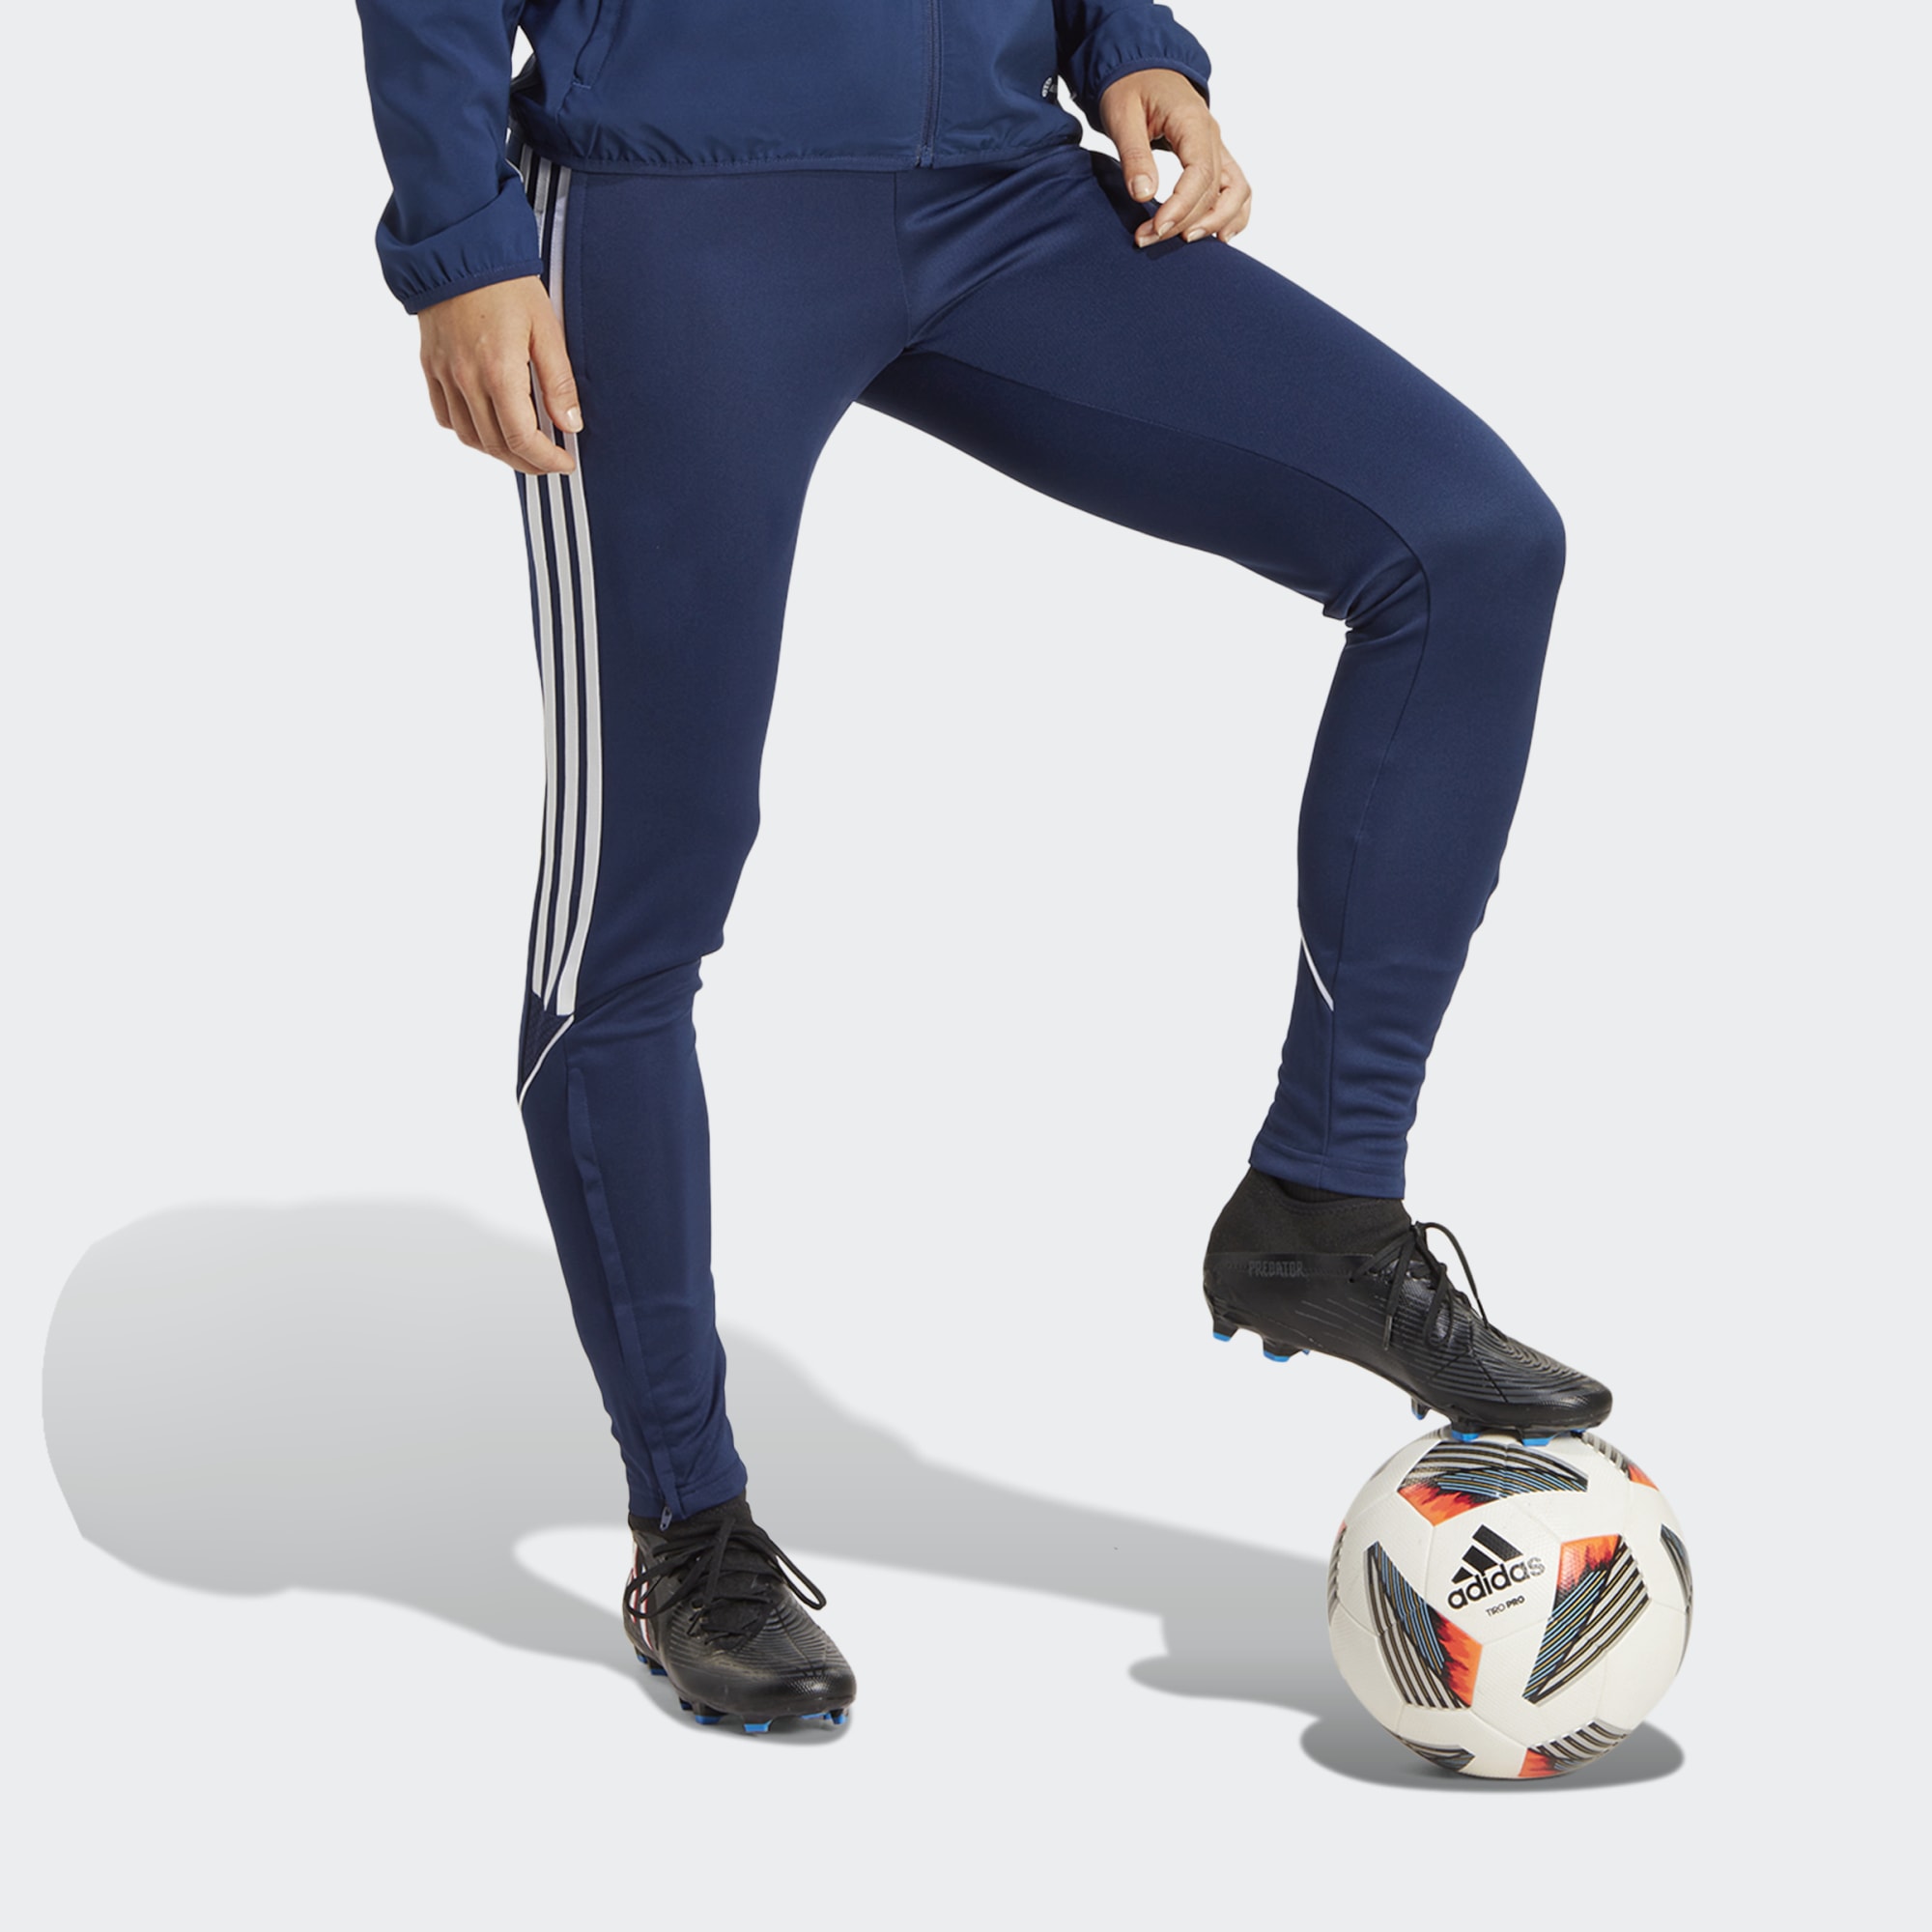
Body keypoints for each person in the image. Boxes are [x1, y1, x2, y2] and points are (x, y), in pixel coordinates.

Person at [352, 0, 1610, 1736]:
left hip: (1002, 190)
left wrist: (1125, 38)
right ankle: (690, 1525)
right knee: (642, 890)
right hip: (672, 204)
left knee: (1469, 542)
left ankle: (1322, 1209)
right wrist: (462, 241)